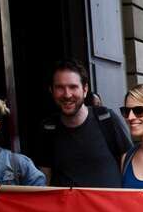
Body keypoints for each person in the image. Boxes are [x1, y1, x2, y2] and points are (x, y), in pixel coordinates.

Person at [36, 59, 132, 187]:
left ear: (85, 89)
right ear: (51, 90)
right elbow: (44, 180)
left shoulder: (107, 119)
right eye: (60, 87)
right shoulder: (48, 129)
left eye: (73, 87)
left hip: (109, 206)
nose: (67, 94)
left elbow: (129, 166)